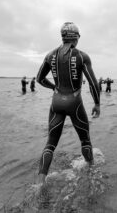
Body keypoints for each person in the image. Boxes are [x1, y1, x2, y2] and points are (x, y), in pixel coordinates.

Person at [35, 22, 100, 185]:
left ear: (62, 37)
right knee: (85, 140)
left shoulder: (50, 55)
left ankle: (40, 183)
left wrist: (53, 88)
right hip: (75, 102)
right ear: (76, 38)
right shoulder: (81, 56)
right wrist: (97, 104)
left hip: (56, 101)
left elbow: (39, 79)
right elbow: (93, 84)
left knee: (50, 143)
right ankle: (91, 172)